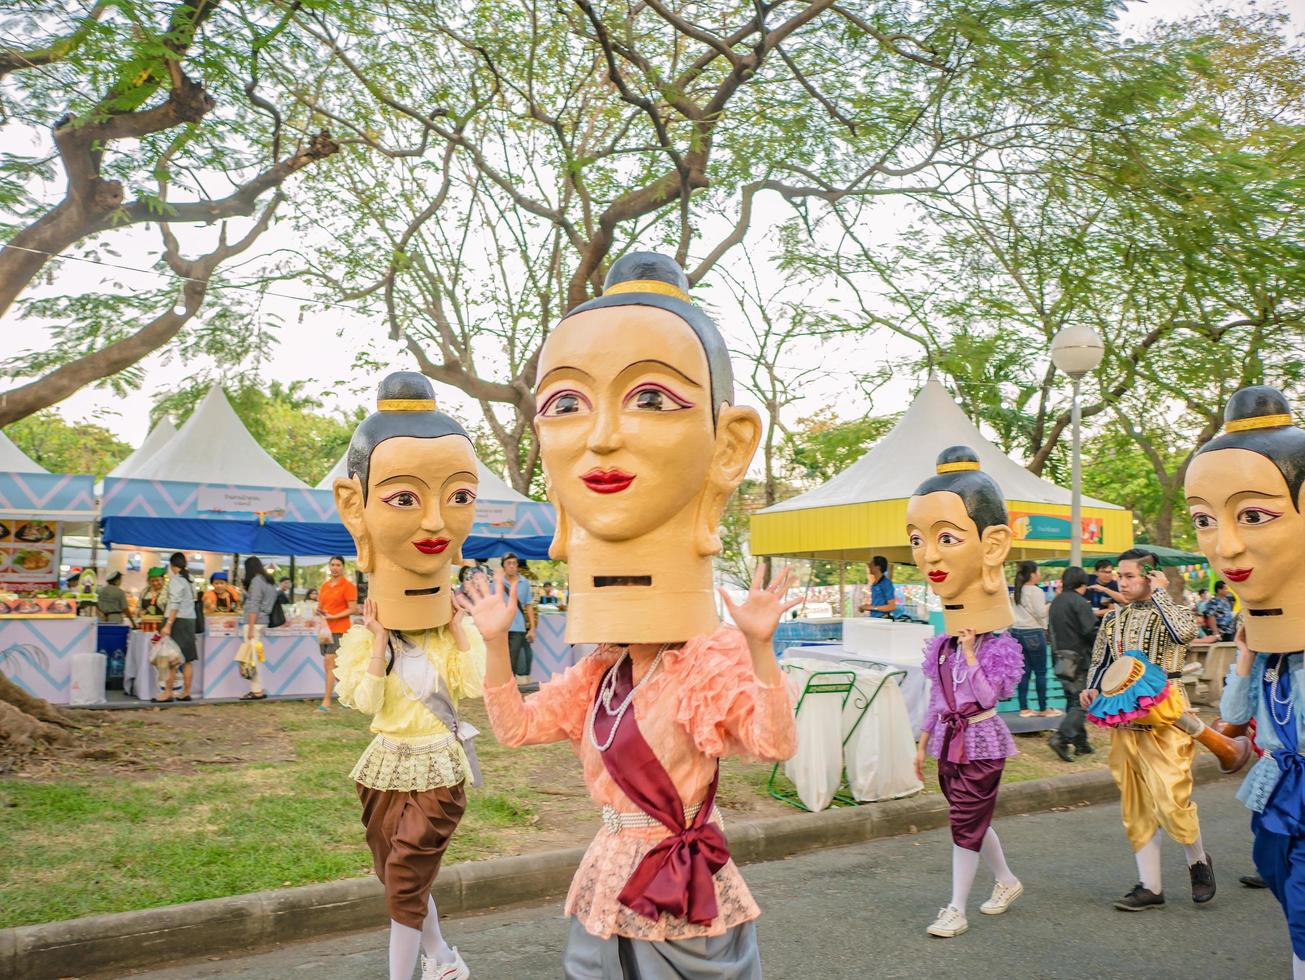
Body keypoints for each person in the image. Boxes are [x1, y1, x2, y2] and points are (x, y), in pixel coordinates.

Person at [480, 252, 797, 977]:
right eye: (564, 404)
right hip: (609, 868)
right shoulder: (597, 675)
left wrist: (757, 648)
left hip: (678, 883)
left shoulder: (704, 662)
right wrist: (497, 643)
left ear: (727, 445)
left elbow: (773, 744)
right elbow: (513, 728)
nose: (600, 439)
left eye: (652, 398)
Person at [332, 371, 484, 980]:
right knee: (394, 871)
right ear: (355, 508)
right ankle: (442, 955)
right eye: (402, 498)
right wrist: (376, 645)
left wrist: (456, 630)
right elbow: (361, 701)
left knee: (405, 873)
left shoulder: (453, 635)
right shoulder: (363, 637)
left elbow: (471, 685)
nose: (434, 524)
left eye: (459, 495)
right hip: (385, 761)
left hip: (439, 765)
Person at [1188, 385, 1305, 979]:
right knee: (1284, 885)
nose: (1225, 545)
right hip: (1277, 801)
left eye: (1254, 515)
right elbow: (1234, 733)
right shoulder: (1266, 651)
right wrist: (1241, 658)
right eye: (1205, 521)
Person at [908, 447, 1025, 940]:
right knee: (970, 817)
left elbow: (987, 696)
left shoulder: (1000, 647)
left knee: (964, 821)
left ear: (993, 545)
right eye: (916, 540)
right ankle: (1007, 880)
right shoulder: (941, 645)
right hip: (948, 743)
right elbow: (939, 699)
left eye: (947, 538)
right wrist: (922, 741)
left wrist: (974, 657)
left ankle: (955, 908)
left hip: (982, 742)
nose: (928, 555)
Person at [1082, 547, 1212, 910]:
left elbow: (1185, 633)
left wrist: (1161, 595)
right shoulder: (1113, 620)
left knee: (1172, 797)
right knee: (1134, 801)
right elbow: (1101, 662)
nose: (1120, 582)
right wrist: (1091, 688)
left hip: (1169, 715)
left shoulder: (1173, 611)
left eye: (1128, 576)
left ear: (1150, 577)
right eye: (1119, 576)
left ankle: (1198, 861)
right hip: (1124, 720)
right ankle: (1150, 886)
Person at [1047, 566, 1098, 762]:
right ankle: (1061, 738)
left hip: (1060, 658)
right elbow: (1090, 631)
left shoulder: (1056, 602)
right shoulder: (1080, 602)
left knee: (1073, 700)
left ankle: (1081, 744)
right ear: (1082, 583)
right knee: (1082, 702)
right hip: (1078, 658)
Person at [1011, 560, 1058, 718]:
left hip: (1016, 633)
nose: (1038, 574)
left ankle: (1024, 708)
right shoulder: (1035, 591)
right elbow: (1041, 613)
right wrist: (1051, 602)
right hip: (1033, 633)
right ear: (1031, 574)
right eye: (1037, 571)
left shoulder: (1017, 591)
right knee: (1040, 672)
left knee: (1024, 672)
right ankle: (1043, 708)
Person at [315, 556, 358, 712]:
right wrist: (319, 612)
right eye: (332, 565)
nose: (335, 568)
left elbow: (352, 609)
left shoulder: (348, 586)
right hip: (325, 630)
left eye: (338, 565)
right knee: (332, 667)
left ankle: (326, 702)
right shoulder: (325, 586)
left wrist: (334, 616)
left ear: (343, 567)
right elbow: (321, 606)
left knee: (330, 663)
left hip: (340, 629)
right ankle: (353, 696)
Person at [159, 552, 198, 702]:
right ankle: (186, 692)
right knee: (188, 660)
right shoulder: (191, 580)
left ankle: (167, 692)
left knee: (172, 659)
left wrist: (168, 624)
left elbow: (174, 604)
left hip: (177, 621)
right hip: (189, 621)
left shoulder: (176, 580)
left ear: (172, 565)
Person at [241, 557, 279, 701]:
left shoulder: (256, 581)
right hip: (263, 621)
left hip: (254, 622)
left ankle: (257, 691)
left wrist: (250, 627)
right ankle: (257, 689)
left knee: (253, 658)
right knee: (255, 656)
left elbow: (254, 605)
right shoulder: (268, 581)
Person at [500, 552, 535, 685]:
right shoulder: (497, 582)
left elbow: (529, 605)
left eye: (514, 563)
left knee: (512, 659)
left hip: (517, 627)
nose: (512, 566)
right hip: (500, 627)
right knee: (501, 659)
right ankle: (501, 687)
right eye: (509, 563)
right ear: (503, 566)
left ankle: (509, 688)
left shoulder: (524, 582)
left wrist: (531, 628)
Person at [859, 555, 897, 619]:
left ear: (878, 567)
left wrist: (871, 607)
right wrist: (866, 607)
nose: (869, 566)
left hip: (883, 620)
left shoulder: (886, 583)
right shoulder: (875, 584)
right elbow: (877, 604)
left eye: (871, 564)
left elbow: (891, 606)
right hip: (875, 619)